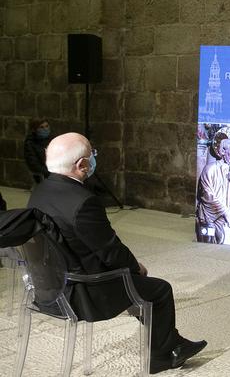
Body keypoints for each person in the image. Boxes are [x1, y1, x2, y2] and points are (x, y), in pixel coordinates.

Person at [27, 133, 206, 374]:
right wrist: (136, 268)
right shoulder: (83, 201)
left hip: (47, 289)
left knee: (140, 286)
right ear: (82, 165)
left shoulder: (39, 191)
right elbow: (110, 251)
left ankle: (172, 343)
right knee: (159, 290)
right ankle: (162, 358)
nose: (94, 158)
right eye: (92, 154)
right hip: (84, 295)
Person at [24, 119, 52, 185]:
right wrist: (48, 172)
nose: (45, 129)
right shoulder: (30, 142)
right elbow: (33, 163)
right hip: (42, 173)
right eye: (41, 127)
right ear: (35, 129)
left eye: (47, 126)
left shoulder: (52, 139)